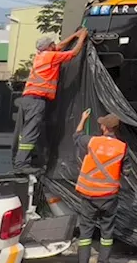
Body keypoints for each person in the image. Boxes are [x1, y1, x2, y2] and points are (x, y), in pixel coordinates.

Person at [13, 27, 88, 173]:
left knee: (28, 131)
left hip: (28, 98)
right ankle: (21, 164)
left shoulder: (40, 55)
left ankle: (24, 160)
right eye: (52, 44)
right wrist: (82, 37)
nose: (55, 45)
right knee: (31, 132)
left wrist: (74, 34)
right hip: (37, 100)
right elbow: (74, 53)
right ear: (48, 47)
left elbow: (58, 46)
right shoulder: (51, 57)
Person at [68, 108, 127, 263]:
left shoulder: (92, 142)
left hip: (89, 195)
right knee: (107, 234)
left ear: (103, 127)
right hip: (109, 198)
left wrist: (83, 119)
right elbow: (128, 172)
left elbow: (76, 136)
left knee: (85, 235)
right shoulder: (122, 147)